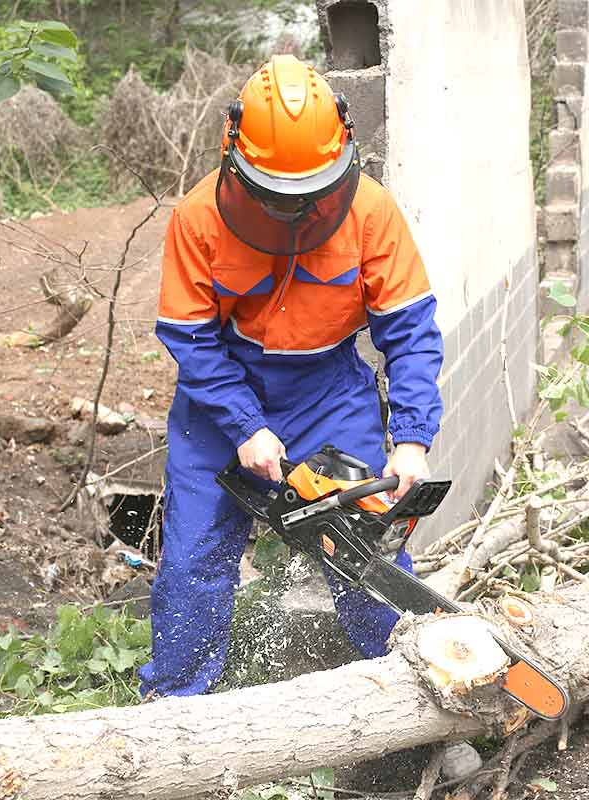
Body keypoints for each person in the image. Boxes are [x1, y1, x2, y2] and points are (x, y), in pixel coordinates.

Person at [139, 54, 444, 697]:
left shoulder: (370, 213)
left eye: (307, 195)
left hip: (328, 390)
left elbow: (410, 332)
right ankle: (174, 710)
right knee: (194, 556)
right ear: (236, 156)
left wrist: (412, 438)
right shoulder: (199, 217)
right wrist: (244, 425)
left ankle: (410, 696)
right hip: (222, 392)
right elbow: (190, 337)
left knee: (370, 551)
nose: (293, 212)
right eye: (276, 197)